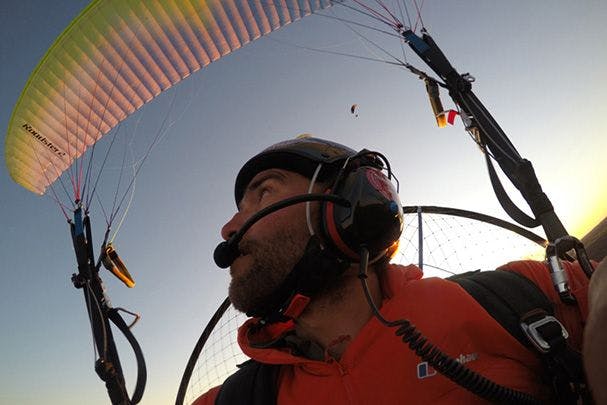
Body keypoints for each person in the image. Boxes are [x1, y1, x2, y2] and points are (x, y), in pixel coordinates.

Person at [194, 136, 595, 404]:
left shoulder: (509, 299)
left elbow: (594, 282)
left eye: (264, 191)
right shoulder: (242, 396)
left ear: (349, 208)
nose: (228, 229)